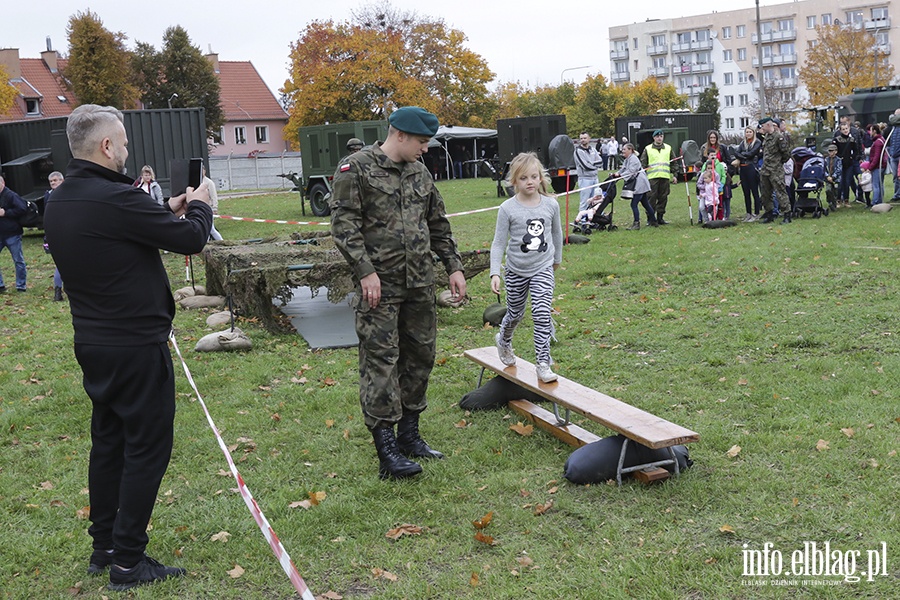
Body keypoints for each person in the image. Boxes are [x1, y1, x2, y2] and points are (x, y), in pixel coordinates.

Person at [43, 104, 212, 591]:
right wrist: (200, 204)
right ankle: (128, 561)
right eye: (122, 141)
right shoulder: (117, 198)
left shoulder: (64, 199)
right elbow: (192, 241)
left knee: (110, 442)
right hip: (136, 345)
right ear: (106, 147)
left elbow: (121, 232)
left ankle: (105, 547)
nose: (127, 149)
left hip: (93, 341)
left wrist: (168, 207)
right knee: (146, 448)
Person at [329, 106, 466, 480]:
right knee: (381, 362)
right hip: (380, 288)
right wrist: (365, 272)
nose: (425, 149)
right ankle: (386, 448)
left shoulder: (419, 173)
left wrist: (453, 266)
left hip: (420, 283)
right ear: (400, 135)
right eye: (422, 142)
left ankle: (409, 435)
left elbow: (437, 222)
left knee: (420, 356)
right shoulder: (355, 168)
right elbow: (344, 227)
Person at [490, 152, 562, 384]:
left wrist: (557, 260)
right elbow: (499, 242)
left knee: (541, 312)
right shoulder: (507, 208)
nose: (529, 182)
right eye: (523, 178)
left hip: (543, 267)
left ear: (541, 177)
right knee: (515, 314)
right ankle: (504, 339)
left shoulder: (551, 204)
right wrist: (495, 272)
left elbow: (557, 233)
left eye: (534, 176)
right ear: (514, 181)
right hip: (515, 270)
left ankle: (543, 362)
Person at [639, 129, 680, 224]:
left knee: (663, 198)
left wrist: (675, 175)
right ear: (654, 138)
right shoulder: (648, 149)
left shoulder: (668, 148)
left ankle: (660, 218)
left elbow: (674, 162)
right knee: (651, 198)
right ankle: (650, 218)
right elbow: (643, 163)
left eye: (661, 136)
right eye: (657, 136)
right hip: (652, 178)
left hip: (665, 177)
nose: (659, 138)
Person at [758, 117, 792, 224]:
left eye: (763, 126)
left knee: (780, 192)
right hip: (765, 169)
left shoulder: (779, 137)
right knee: (765, 193)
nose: (761, 128)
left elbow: (786, 153)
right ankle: (770, 213)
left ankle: (787, 214)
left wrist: (778, 163)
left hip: (775, 170)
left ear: (768, 125)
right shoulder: (767, 137)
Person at [0, 175, 28, 293]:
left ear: (3, 183)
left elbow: (22, 208)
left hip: (12, 233)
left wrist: (6, 212)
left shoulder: (11, 195)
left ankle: (21, 285)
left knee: (18, 260)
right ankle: (0, 285)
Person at [618, 143, 655, 230]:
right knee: (645, 203)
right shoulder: (627, 159)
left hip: (640, 183)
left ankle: (636, 224)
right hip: (638, 183)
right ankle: (654, 220)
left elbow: (631, 171)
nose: (623, 151)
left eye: (624, 149)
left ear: (630, 150)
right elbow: (623, 168)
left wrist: (621, 176)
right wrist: (617, 173)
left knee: (633, 204)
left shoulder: (633, 159)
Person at [699, 130, 733, 220]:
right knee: (706, 201)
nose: (712, 139)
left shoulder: (722, 147)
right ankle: (705, 218)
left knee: (721, 200)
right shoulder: (704, 148)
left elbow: (728, 161)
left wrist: (726, 174)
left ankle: (722, 216)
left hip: (719, 175)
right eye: (711, 138)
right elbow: (703, 164)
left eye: (714, 137)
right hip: (708, 179)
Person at [43, 171, 66, 300]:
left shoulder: (67, 193)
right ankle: (58, 290)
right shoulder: (48, 196)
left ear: (62, 181)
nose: (53, 183)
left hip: (66, 231)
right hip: (56, 233)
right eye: (51, 181)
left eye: (55, 180)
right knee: (60, 262)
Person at [733, 126, 763, 221]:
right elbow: (736, 152)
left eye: (750, 132)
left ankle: (757, 213)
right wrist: (744, 156)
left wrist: (742, 155)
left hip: (752, 168)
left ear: (753, 133)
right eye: (747, 132)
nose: (748, 134)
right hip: (743, 169)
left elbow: (752, 153)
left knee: (754, 191)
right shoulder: (743, 143)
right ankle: (748, 213)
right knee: (746, 192)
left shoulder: (757, 142)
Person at [834, 122, 861, 207]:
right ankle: (838, 200)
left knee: (847, 181)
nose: (845, 131)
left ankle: (846, 200)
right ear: (840, 130)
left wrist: (852, 157)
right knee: (840, 182)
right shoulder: (837, 140)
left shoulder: (852, 140)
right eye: (843, 129)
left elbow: (856, 150)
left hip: (849, 163)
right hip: (839, 163)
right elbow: (833, 149)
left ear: (849, 129)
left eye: (846, 129)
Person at [573, 132, 602, 211]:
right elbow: (585, 166)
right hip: (585, 179)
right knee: (585, 201)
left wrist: (591, 163)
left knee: (596, 200)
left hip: (595, 178)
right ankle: (582, 219)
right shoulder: (578, 151)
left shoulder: (593, 149)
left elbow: (600, 161)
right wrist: (594, 165)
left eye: (585, 138)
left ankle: (593, 218)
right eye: (581, 138)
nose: (583, 140)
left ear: (589, 139)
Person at [697, 157, 723, 222]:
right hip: (704, 193)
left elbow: (718, 184)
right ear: (706, 168)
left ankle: (713, 219)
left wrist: (713, 186)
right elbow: (698, 184)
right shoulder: (703, 174)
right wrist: (706, 187)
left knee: (715, 208)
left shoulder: (716, 175)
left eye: (711, 168)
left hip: (713, 195)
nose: (710, 170)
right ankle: (707, 220)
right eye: (708, 168)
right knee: (701, 207)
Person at [867, 123, 887, 205]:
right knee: (880, 183)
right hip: (882, 165)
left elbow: (876, 156)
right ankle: (880, 200)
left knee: (876, 185)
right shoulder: (881, 139)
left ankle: (875, 202)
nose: (869, 132)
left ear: (874, 131)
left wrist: (870, 167)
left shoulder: (877, 142)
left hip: (878, 166)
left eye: (871, 130)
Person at [203, 164, 223, 241]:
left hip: (208, 208)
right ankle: (207, 244)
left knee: (211, 229)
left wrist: (215, 208)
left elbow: (213, 196)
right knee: (206, 229)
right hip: (201, 208)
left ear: (205, 171)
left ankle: (222, 241)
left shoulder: (209, 182)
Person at [824, 144, 843, 210]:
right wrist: (827, 176)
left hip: (836, 179)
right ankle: (830, 202)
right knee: (828, 190)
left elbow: (839, 169)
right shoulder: (826, 160)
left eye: (832, 151)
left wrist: (833, 177)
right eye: (829, 151)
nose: (830, 152)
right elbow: (823, 169)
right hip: (828, 179)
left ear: (836, 151)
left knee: (835, 192)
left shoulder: (838, 160)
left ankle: (834, 203)